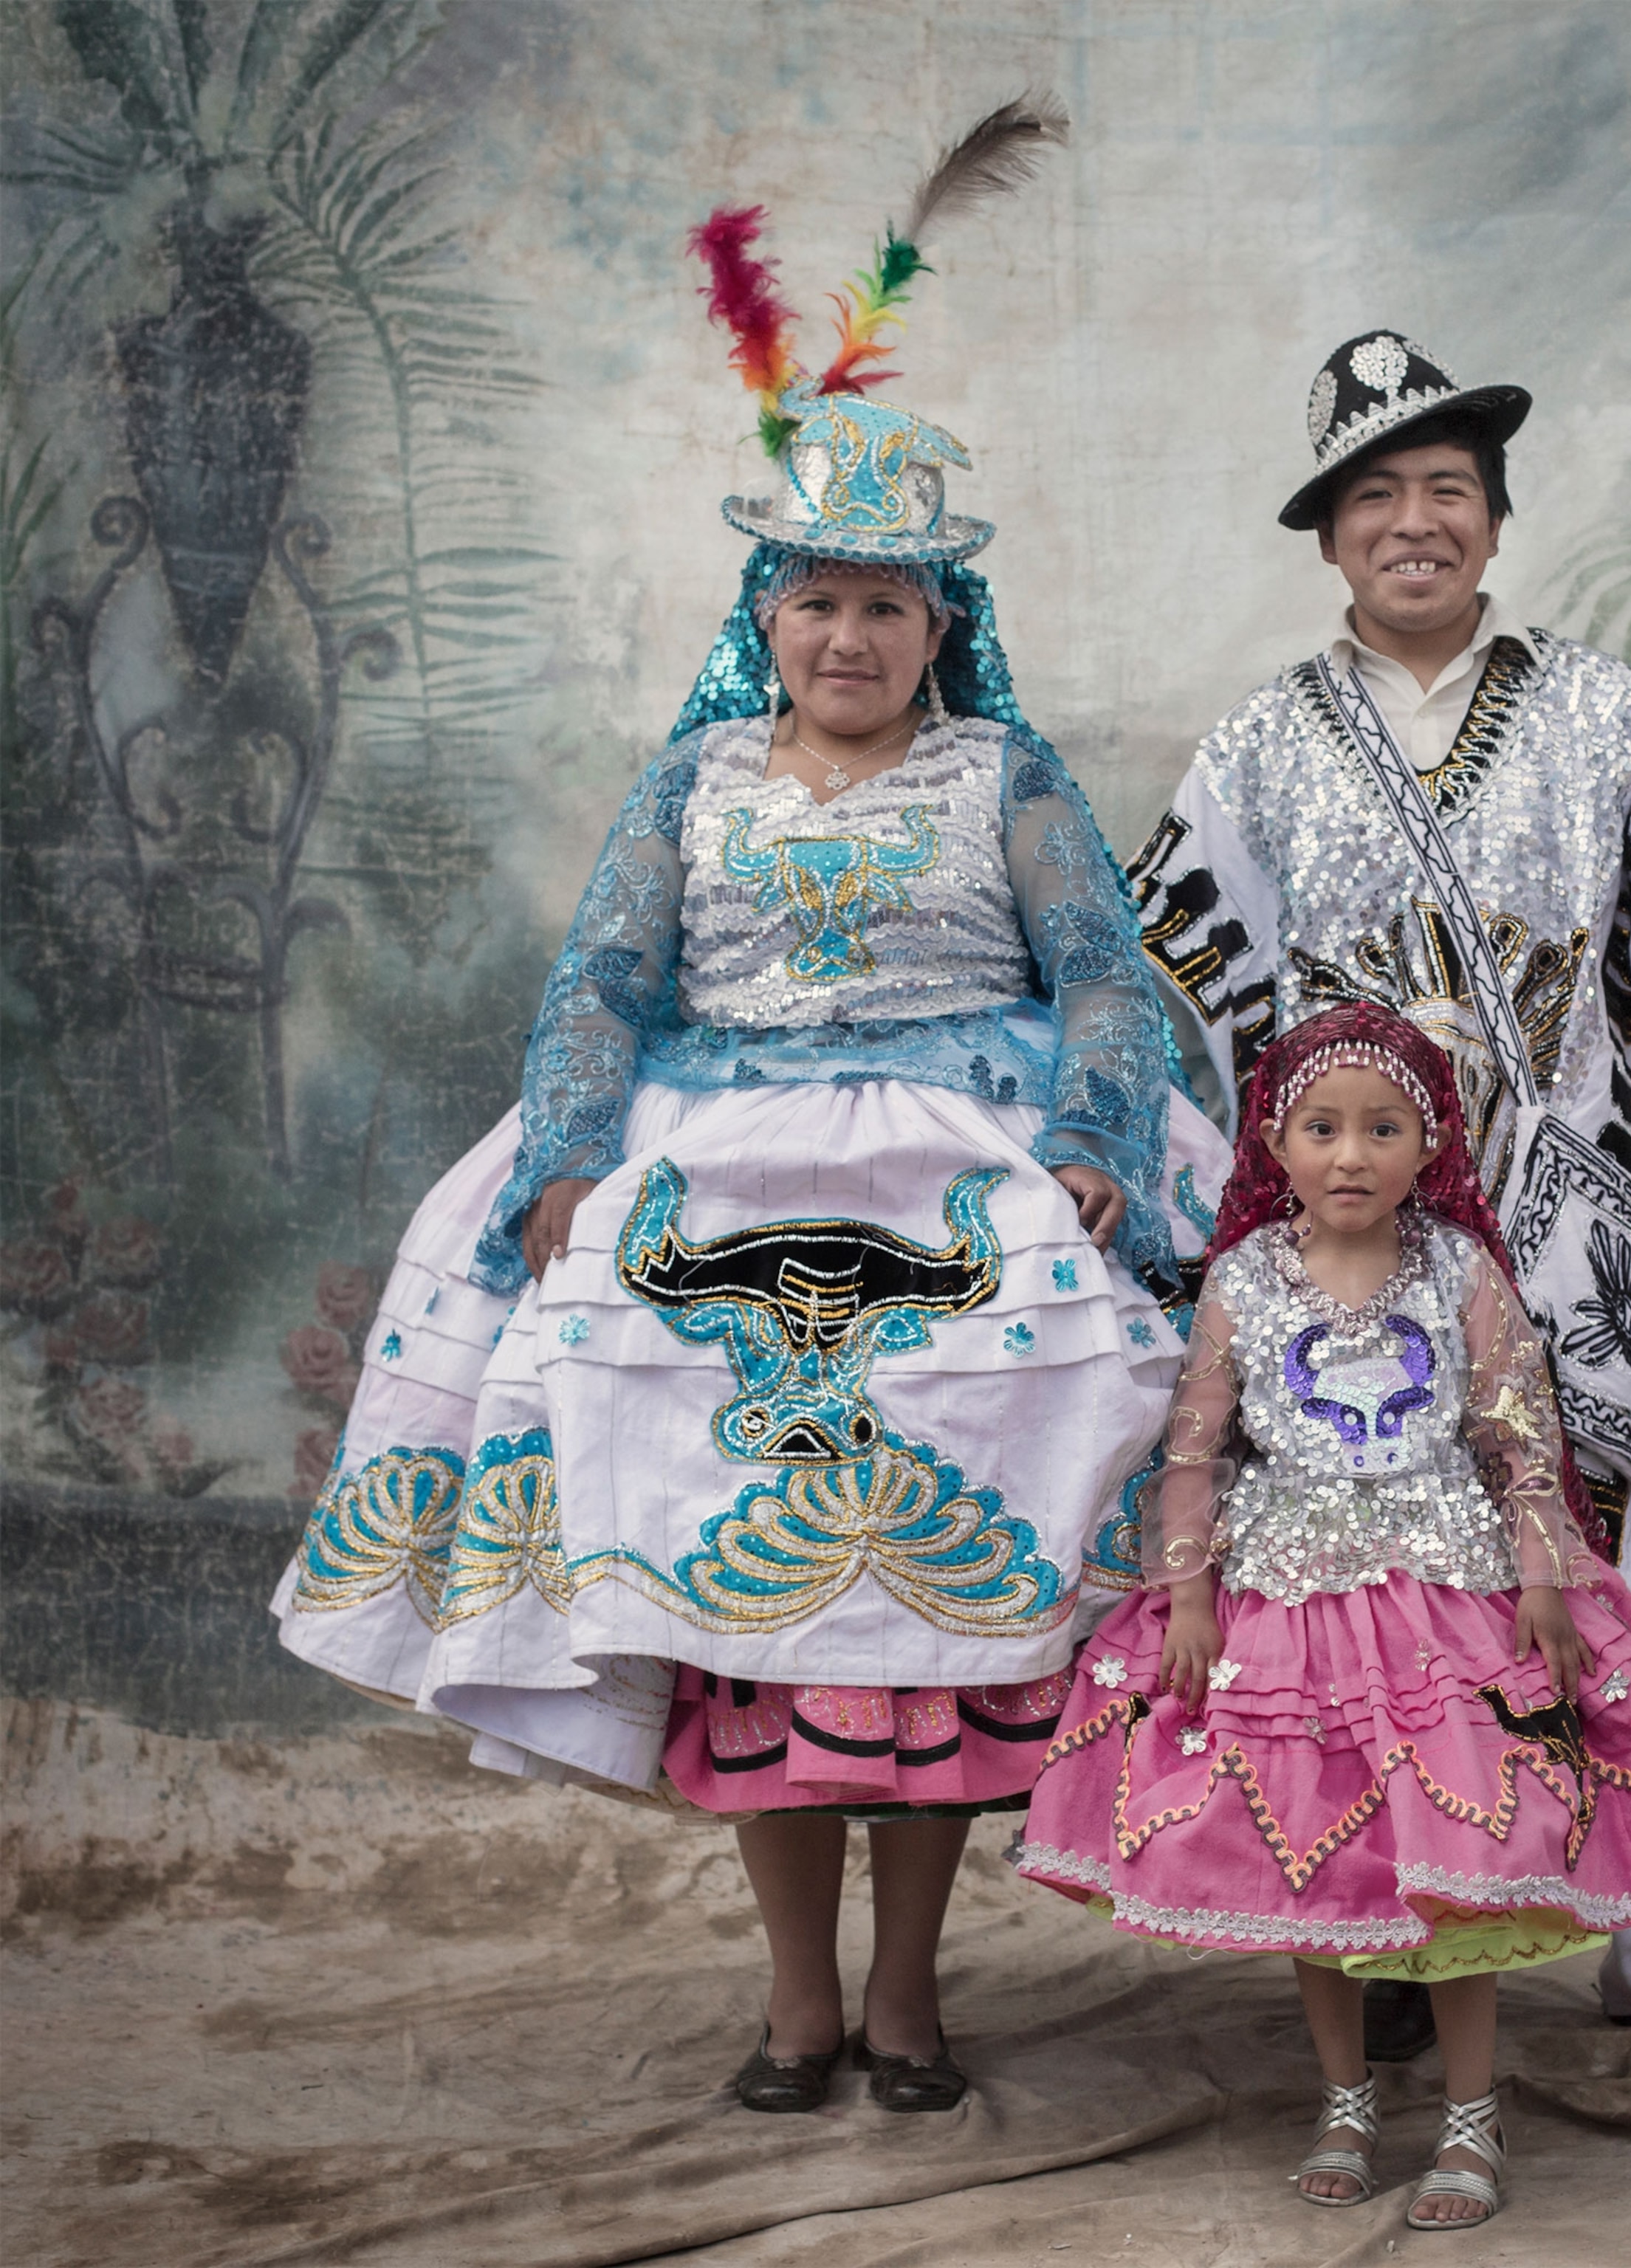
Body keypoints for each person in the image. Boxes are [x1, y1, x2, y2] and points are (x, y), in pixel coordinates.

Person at [271, 135, 1229, 2117]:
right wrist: (555, 1162)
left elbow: (1112, 980)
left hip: (963, 1183)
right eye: (817, 606)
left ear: (935, 624)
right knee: (753, 1623)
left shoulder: (1006, 777)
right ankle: (797, 2002)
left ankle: (911, 1995)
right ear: (768, 617)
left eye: (887, 608)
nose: (850, 641)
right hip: (714, 1193)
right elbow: (601, 990)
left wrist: (1103, 1148)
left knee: (933, 1622)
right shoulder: (691, 781)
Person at [1125, 331, 1631, 2066]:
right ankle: (1383, 1942)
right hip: (1358, 1235)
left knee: (1620, 1563)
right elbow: (1191, 967)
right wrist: (1307, 1174)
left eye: (1449, 490)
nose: (1417, 523)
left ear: (1496, 524)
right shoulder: (1259, 745)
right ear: (1330, 539)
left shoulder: (1611, 712)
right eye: (1379, 496)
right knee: (1374, 1592)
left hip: (1574, 1210)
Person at [1017, 1007, 1631, 2230]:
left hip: (1449, 1614)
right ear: (1279, 1145)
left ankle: (1468, 2112)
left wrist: (1547, 1577)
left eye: (1383, 1130)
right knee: (1316, 1868)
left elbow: (1518, 1439)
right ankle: (1346, 2097)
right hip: (1285, 1617)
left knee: (1459, 1882)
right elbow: (1194, 1452)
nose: (1351, 1156)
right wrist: (1189, 1591)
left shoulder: (1463, 1270)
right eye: (1323, 1129)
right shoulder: (1241, 1282)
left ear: (1429, 1145)